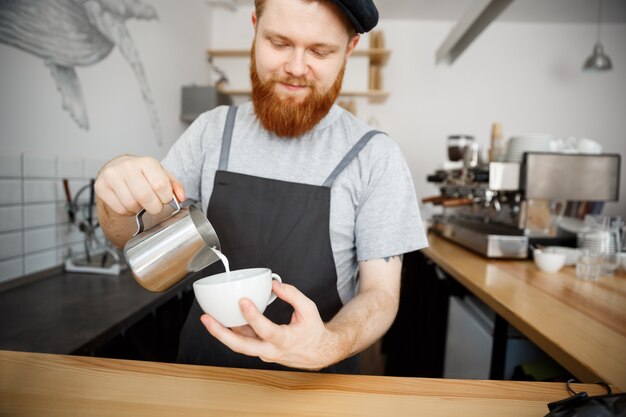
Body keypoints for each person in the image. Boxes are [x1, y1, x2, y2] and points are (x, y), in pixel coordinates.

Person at [95, 0, 428, 373]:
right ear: (255, 28)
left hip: (316, 387)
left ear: (349, 50)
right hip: (204, 376)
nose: (296, 67)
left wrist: (330, 343)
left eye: (320, 50)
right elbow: (131, 240)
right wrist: (113, 200)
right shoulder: (211, 132)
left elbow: (380, 294)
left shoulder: (374, 156)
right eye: (279, 43)